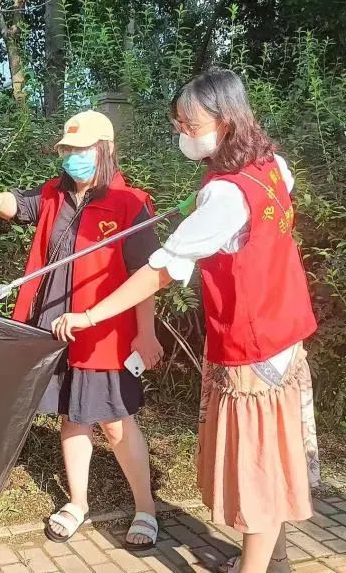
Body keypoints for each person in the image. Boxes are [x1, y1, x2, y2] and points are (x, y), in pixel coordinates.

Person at [52, 70, 320, 573]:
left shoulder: (226, 196)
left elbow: (161, 271)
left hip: (253, 347)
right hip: (284, 335)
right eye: (178, 122)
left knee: (256, 470)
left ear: (226, 122)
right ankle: (274, 559)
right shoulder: (271, 166)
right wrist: (202, 199)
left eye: (190, 124)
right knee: (270, 457)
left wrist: (90, 314)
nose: (182, 132)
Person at [0, 110, 163, 549]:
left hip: (105, 333)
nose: (72, 157)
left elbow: (147, 275)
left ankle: (146, 508)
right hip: (54, 327)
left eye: (81, 149)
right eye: (67, 150)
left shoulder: (131, 203)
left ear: (105, 150)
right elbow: (18, 205)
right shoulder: (52, 195)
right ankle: (78, 503)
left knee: (115, 421)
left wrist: (146, 332)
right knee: (72, 417)